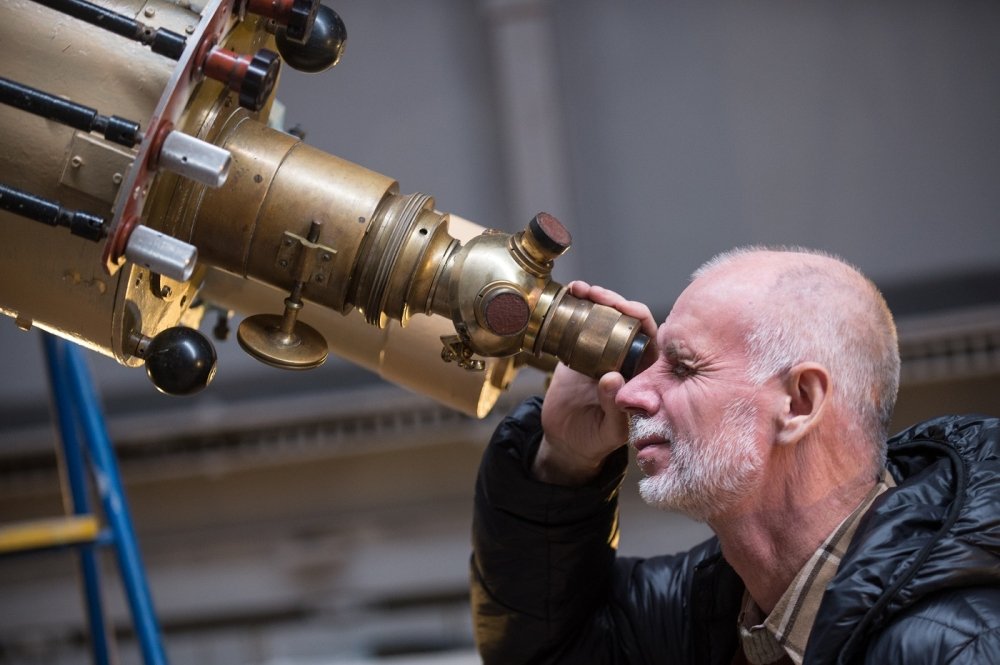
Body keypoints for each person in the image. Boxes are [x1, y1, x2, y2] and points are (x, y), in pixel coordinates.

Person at [470, 246, 1000, 665]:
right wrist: (562, 459)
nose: (629, 394)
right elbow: (545, 649)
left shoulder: (961, 645)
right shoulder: (716, 606)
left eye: (681, 367)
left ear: (799, 402)